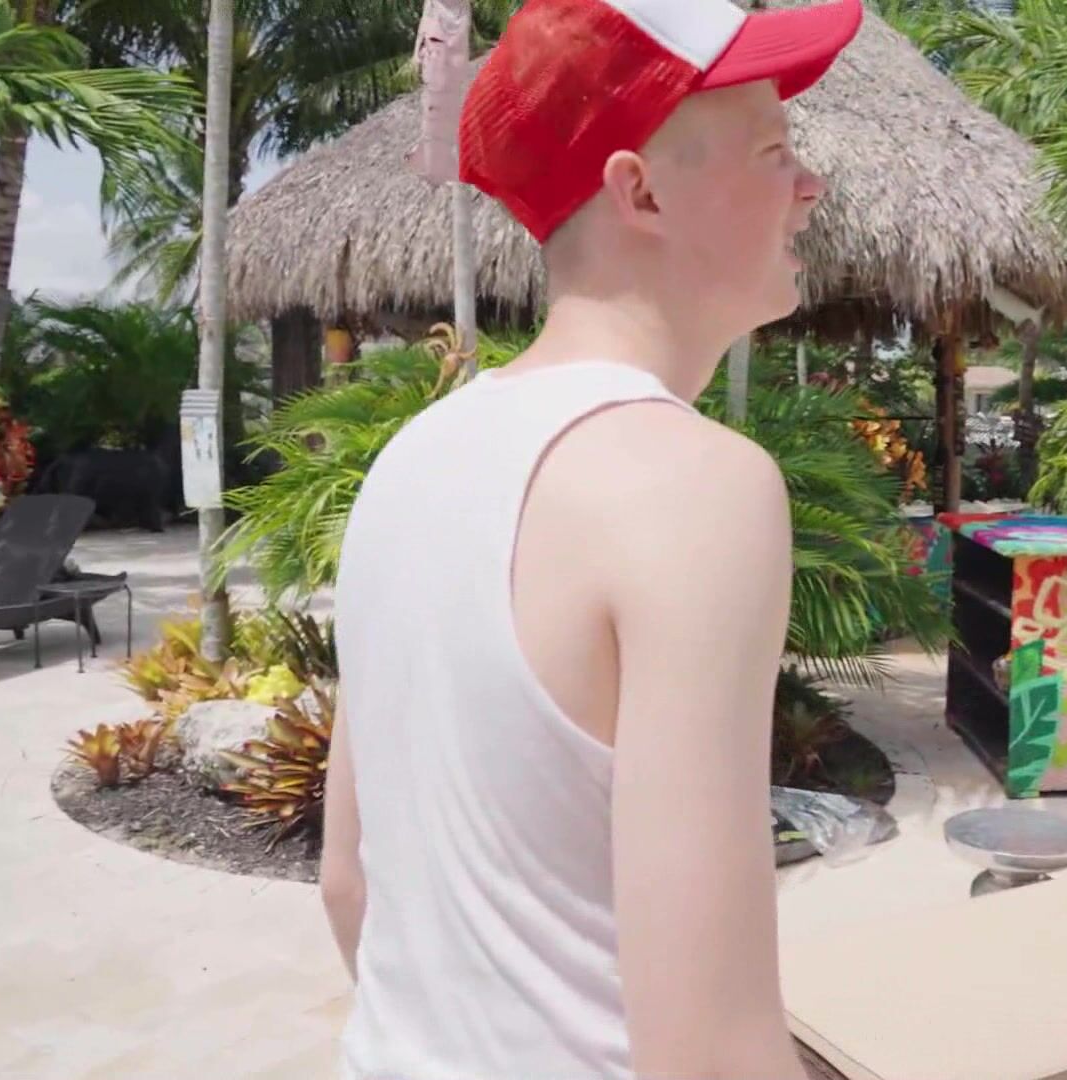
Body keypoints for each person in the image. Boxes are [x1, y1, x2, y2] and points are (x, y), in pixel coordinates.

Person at [319, 0, 864, 1076]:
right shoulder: (693, 486)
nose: (810, 186)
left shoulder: (413, 457)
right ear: (640, 190)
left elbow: (350, 884)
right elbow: (709, 1049)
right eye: (774, 151)